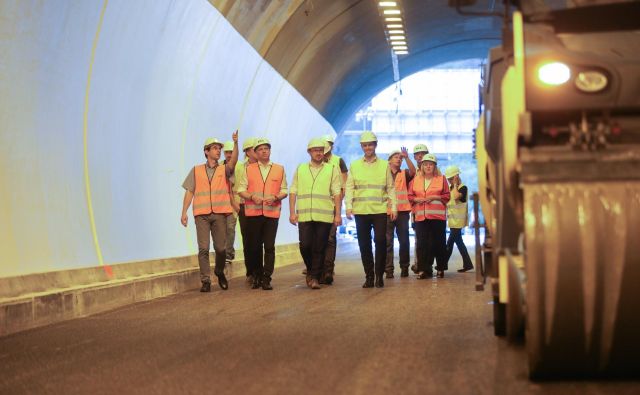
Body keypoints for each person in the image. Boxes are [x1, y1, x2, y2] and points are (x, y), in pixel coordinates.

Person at [181, 131, 239, 292]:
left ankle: (219, 271)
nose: (218, 151)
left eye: (219, 148)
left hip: (219, 214)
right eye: (214, 148)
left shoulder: (224, 169)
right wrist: (184, 212)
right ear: (206, 151)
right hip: (202, 215)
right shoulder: (196, 170)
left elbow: (233, 161)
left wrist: (235, 144)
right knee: (203, 248)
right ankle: (205, 281)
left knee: (221, 249)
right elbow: (189, 191)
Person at [345, 131, 397, 288]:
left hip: (379, 210)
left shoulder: (384, 166)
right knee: (364, 244)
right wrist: (348, 206)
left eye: (370, 145)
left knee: (380, 241)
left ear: (375, 145)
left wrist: (393, 207)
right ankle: (369, 275)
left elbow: (391, 188)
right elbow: (349, 187)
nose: (368, 147)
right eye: (365, 145)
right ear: (362, 146)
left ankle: (379, 275)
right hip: (361, 211)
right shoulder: (354, 166)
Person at [289, 138, 342, 289]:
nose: (318, 153)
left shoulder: (332, 169)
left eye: (321, 150)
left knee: (320, 247)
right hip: (305, 215)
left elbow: (337, 192)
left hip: (324, 215)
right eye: (315, 150)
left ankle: (314, 277)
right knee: (305, 246)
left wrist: (338, 214)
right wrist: (292, 212)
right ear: (309, 152)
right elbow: (293, 190)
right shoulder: (301, 169)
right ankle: (312, 271)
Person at [238, 138, 288, 290]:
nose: (264, 151)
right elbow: (241, 189)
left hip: (272, 214)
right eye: (260, 149)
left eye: (266, 148)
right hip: (253, 213)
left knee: (269, 246)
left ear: (270, 150)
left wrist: (276, 197)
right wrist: (252, 197)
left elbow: (284, 190)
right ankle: (257, 276)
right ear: (255, 153)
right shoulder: (248, 169)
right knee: (254, 247)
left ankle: (267, 277)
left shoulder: (279, 169)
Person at [408, 153, 450, 279]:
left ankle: (441, 268)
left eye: (430, 164)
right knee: (422, 244)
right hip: (421, 217)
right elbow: (410, 196)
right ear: (421, 166)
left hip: (437, 218)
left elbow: (447, 196)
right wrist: (416, 199)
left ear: (434, 166)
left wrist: (435, 197)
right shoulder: (416, 180)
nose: (427, 167)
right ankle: (423, 270)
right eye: (425, 164)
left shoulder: (441, 179)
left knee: (439, 243)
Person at [321, 134, 348, 284]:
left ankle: (328, 270)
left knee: (330, 237)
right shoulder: (315, 162)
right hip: (318, 206)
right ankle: (318, 268)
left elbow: (344, 184)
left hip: (332, 205)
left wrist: (339, 204)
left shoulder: (338, 161)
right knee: (319, 238)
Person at [385, 148, 416, 278]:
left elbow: (414, 172)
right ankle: (389, 270)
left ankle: (404, 267)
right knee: (387, 242)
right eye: (396, 157)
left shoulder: (404, 173)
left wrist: (407, 157)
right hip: (386, 212)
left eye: (400, 158)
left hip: (402, 212)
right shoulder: (383, 173)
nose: (399, 159)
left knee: (404, 241)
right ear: (390, 159)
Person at [234, 138, 258, 285]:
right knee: (248, 241)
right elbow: (235, 186)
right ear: (248, 152)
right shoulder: (239, 167)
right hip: (244, 206)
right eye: (255, 149)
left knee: (259, 241)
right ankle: (250, 271)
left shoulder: (264, 167)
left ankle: (259, 272)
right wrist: (236, 204)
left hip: (259, 207)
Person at [444, 165, 474, 272]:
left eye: (451, 179)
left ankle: (443, 265)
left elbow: (457, 197)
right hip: (452, 221)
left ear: (457, 176)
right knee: (459, 243)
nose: (450, 181)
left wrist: (456, 183)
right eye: (449, 179)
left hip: (458, 222)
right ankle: (468, 264)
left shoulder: (462, 188)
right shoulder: (451, 188)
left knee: (449, 243)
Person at [410, 143, 430, 275]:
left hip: (430, 211)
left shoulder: (434, 170)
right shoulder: (414, 173)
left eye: (422, 153)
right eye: (417, 154)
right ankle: (420, 264)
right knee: (419, 240)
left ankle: (427, 265)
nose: (419, 156)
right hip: (417, 212)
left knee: (430, 240)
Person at [222, 141, 239, 266]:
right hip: (223, 201)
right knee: (223, 229)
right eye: (227, 152)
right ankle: (226, 252)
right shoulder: (219, 166)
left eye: (231, 152)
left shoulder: (240, 166)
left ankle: (228, 254)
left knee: (230, 227)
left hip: (237, 201)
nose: (229, 154)